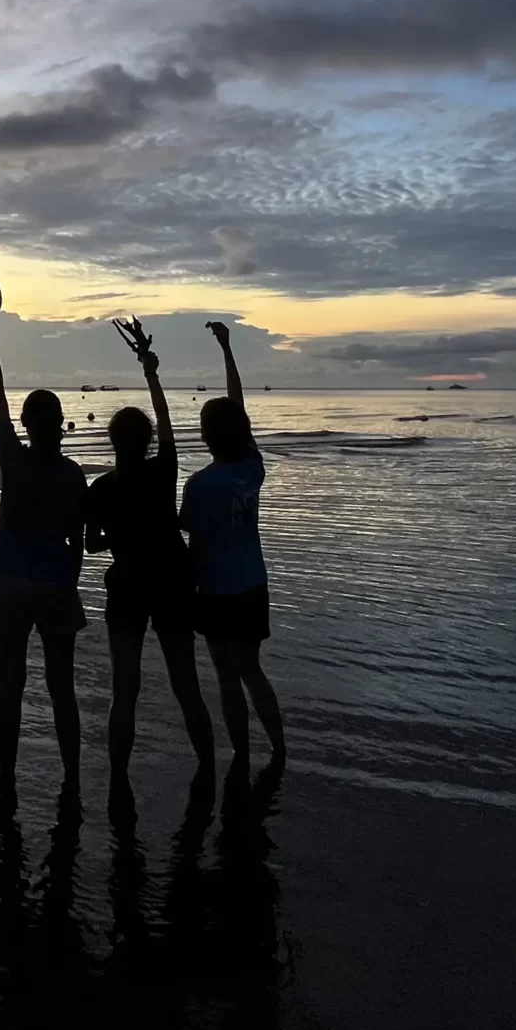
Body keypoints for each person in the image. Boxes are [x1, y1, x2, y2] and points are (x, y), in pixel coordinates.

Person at [85, 317, 214, 788]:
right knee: (187, 686)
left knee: (125, 692)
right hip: (174, 585)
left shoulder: (100, 488)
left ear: (112, 442)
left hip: (127, 590)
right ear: (147, 443)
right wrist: (151, 372)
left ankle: (119, 778)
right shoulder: (162, 472)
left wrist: (115, 538)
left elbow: (93, 543)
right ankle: (209, 769)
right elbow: (168, 427)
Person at [0, 302, 89, 793]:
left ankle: (5, 777)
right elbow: (79, 539)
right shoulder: (74, 474)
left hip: (11, 582)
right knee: (62, 689)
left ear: (25, 425)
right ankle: (71, 776)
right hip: (56, 582)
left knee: (10, 688)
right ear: (62, 424)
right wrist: (69, 577)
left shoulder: (16, 462)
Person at [182, 320, 286, 777]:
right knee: (252, 671)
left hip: (219, 591)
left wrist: (186, 594)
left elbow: (196, 546)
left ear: (205, 437)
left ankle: (242, 755)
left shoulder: (202, 485)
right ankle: (279, 748)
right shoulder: (252, 468)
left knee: (227, 677)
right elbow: (238, 411)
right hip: (253, 584)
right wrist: (228, 348)